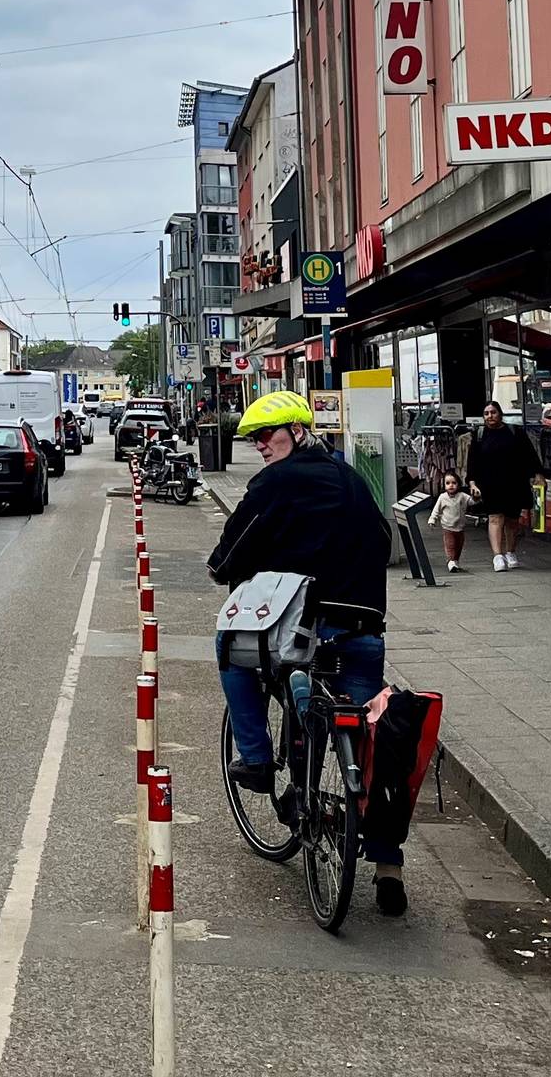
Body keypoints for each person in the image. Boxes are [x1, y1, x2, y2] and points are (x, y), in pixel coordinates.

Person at [207, 391, 409, 916]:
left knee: (231, 649)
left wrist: (232, 573)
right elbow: (382, 539)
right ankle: (387, 864)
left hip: (303, 628)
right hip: (364, 626)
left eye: (267, 437)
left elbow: (230, 549)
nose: (259, 448)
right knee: (369, 733)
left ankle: (255, 760)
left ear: (297, 433)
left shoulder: (275, 482)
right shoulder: (350, 479)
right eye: (253, 440)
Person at [466, 401, 539, 571]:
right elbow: (472, 461)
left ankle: (510, 552)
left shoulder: (515, 432)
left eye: (493, 412)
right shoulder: (479, 434)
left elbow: (529, 454)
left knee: (512, 520)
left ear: (500, 414)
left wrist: (538, 474)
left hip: (514, 482)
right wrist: (472, 482)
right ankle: (497, 556)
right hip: (490, 483)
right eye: (486, 413)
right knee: (495, 517)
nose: (490, 416)